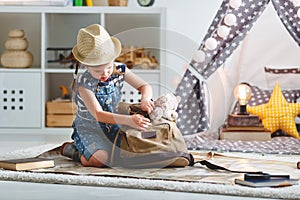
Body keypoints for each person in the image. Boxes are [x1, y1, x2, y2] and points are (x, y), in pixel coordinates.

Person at [60, 24, 154, 168]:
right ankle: (74, 151)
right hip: (90, 129)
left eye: (109, 67)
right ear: (86, 65)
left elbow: (144, 86)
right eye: (98, 71)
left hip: (114, 126)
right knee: (101, 160)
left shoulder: (120, 69)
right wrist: (129, 120)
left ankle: (96, 149)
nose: (105, 74)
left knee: (133, 153)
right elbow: (98, 114)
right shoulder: (84, 83)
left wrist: (145, 99)